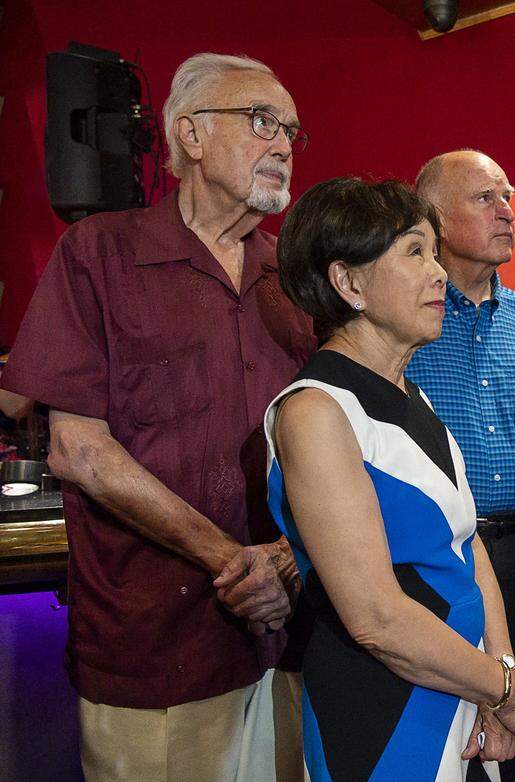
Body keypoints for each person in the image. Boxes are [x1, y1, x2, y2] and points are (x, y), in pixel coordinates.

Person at [0, 53, 313, 780]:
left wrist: (290, 557)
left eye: (293, 130)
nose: (284, 144)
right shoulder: (99, 254)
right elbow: (78, 451)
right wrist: (232, 561)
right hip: (159, 650)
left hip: (295, 637)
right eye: (263, 121)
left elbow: (337, 443)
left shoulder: (297, 273)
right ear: (191, 135)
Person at [268, 176, 515, 781]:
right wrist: (505, 688)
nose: (440, 273)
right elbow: (375, 617)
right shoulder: (316, 411)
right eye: (414, 252)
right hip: (384, 708)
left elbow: (466, 543)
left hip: (462, 689)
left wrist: (498, 672)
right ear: (348, 283)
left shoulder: (410, 392)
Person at [405, 150, 515, 782]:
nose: (507, 212)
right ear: (434, 219)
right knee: (452, 746)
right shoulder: (401, 319)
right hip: (435, 562)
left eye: (509, 197)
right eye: (485, 199)